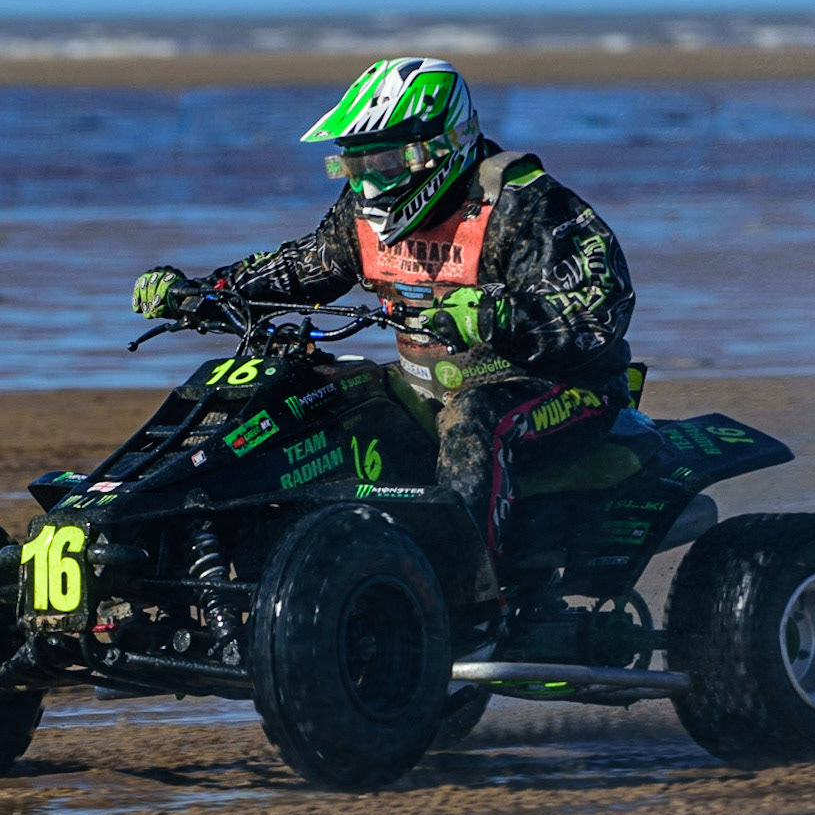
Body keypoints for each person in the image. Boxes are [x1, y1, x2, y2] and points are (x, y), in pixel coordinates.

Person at [132, 57, 634, 581]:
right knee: (315, 399)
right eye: (357, 168)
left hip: (563, 387)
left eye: (387, 164)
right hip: (425, 386)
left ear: (445, 146)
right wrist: (207, 292)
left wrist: (494, 315)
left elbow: (602, 308)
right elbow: (306, 266)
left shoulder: (525, 205)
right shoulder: (361, 216)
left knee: (473, 420)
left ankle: (470, 602)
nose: (370, 187)